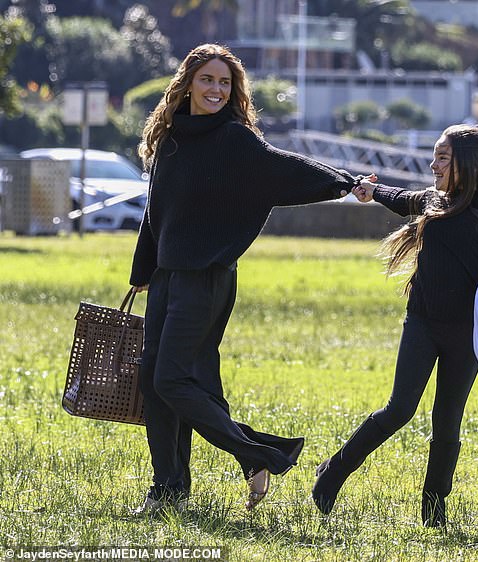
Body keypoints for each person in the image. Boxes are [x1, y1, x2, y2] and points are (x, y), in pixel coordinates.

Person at [129, 43, 364, 514]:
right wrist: (142, 272)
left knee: (172, 380)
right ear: (188, 83)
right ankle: (169, 488)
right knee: (154, 381)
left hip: (208, 279)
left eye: (225, 83)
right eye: (208, 80)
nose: (216, 89)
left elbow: (282, 169)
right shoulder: (171, 139)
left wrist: (342, 181)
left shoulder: (235, 140)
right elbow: (157, 212)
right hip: (167, 276)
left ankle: (258, 454)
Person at [312, 124, 478, 526]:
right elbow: (402, 200)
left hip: (465, 333)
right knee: (399, 409)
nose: (433, 165)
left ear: (466, 163)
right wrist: (370, 190)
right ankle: (333, 474)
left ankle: (434, 510)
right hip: (422, 323)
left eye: (442, 158)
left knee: (447, 421)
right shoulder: (434, 201)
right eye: (434, 157)